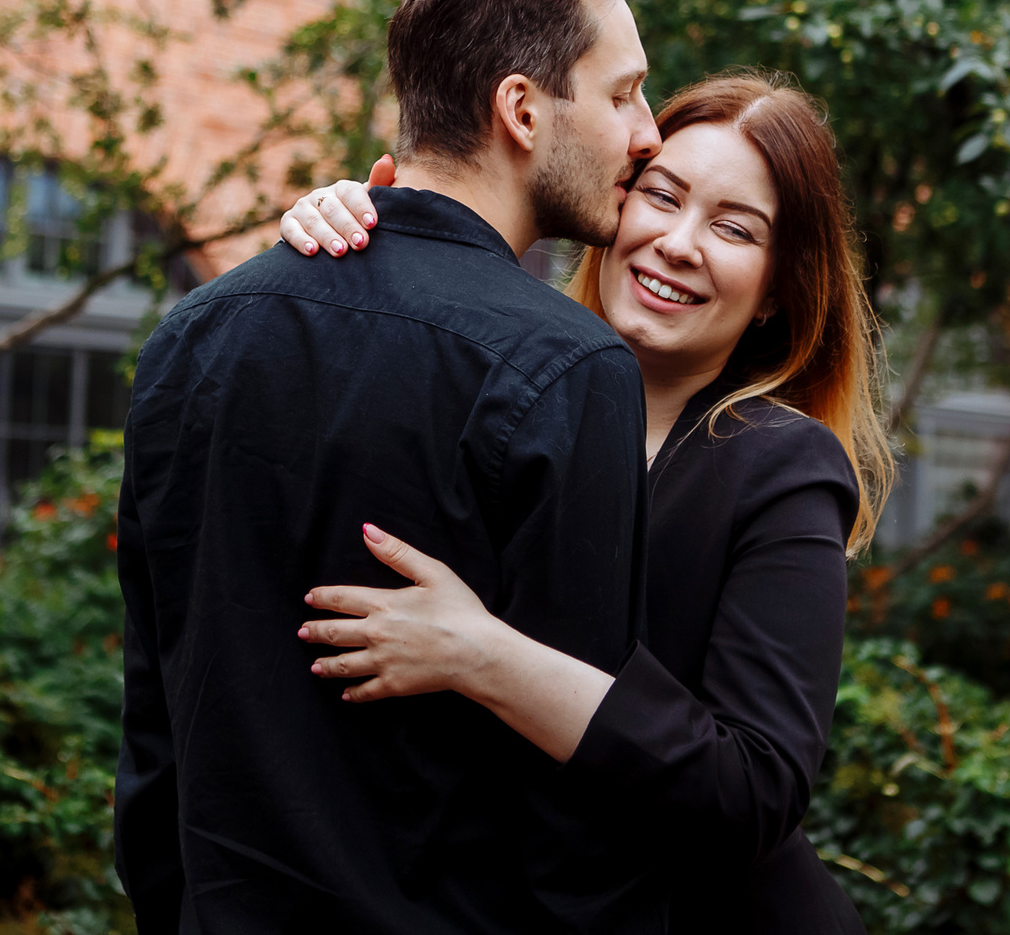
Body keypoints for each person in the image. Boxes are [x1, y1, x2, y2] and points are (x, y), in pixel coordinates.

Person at [114, 0, 670, 933]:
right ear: (522, 110)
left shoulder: (191, 337)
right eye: (626, 94)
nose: (646, 133)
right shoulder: (570, 369)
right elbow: (576, 819)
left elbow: (155, 734)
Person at [280, 72, 895, 932]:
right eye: (662, 194)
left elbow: (754, 787)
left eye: (732, 227)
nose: (679, 242)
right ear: (615, 202)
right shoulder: (501, 397)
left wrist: (482, 655)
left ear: (781, 287)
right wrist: (367, 229)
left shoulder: (781, 466)